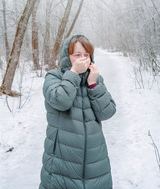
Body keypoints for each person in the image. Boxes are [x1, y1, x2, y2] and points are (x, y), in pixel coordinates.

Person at [38, 34, 116, 189]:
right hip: (62, 160)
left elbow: (107, 112)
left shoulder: (95, 79)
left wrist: (93, 84)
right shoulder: (54, 77)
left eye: (86, 55)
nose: (83, 59)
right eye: (77, 55)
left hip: (95, 158)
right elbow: (61, 101)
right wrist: (73, 74)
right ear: (67, 57)